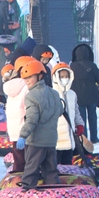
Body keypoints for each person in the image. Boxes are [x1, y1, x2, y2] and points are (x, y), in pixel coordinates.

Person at [17, 60, 64, 190]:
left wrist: (23, 135)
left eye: (30, 77)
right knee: (51, 170)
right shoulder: (54, 93)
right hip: (51, 140)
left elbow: (32, 119)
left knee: (31, 169)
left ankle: (27, 191)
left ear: (40, 76)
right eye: (25, 78)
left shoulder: (31, 96)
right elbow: (60, 111)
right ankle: (54, 193)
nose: (27, 81)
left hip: (36, 142)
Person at [4, 57, 33, 173]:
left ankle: (17, 177)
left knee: (18, 159)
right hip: (25, 130)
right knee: (29, 160)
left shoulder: (10, 87)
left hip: (14, 129)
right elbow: (29, 109)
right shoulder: (26, 88)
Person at [52, 63, 85, 165]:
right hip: (56, 140)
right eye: (62, 76)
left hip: (70, 139)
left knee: (67, 165)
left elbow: (76, 111)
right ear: (56, 77)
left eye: (66, 76)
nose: (64, 78)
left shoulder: (72, 94)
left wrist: (79, 124)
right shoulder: (51, 93)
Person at [70, 43, 99, 144]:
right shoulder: (92, 65)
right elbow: (98, 77)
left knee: (81, 118)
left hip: (78, 97)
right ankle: (94, 137)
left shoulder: (72, 66)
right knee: (92, 117)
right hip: (92, 96)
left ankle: (84, 138)